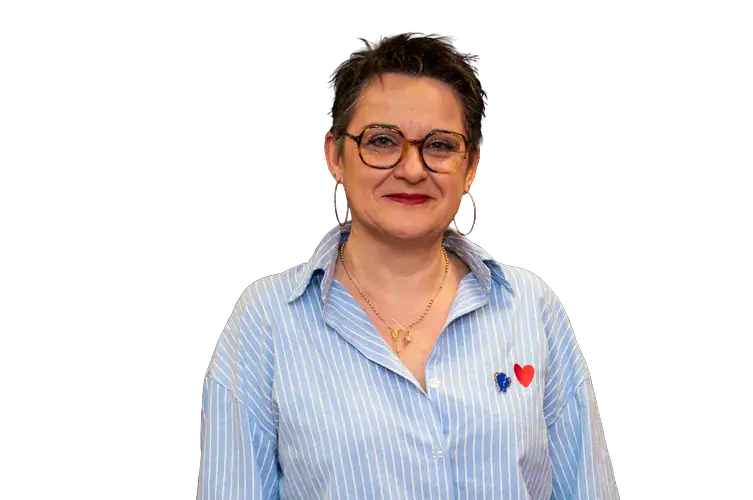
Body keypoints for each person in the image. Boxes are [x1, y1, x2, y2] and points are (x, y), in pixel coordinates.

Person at [199, 31, 620, 499]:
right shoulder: (266, 320)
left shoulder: (529, 307)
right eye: (382, 141)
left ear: (470, 166)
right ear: (334, 155)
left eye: (439, 145)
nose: (412, 169)